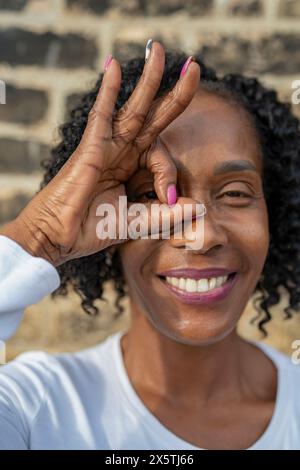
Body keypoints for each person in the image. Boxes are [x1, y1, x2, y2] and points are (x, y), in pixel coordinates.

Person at [0, 40, 299, 450]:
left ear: (274, 215)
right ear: (106, 227)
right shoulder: (35, 408)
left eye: (234, 194)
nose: (202, 235)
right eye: (152, 196)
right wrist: (42, 237)